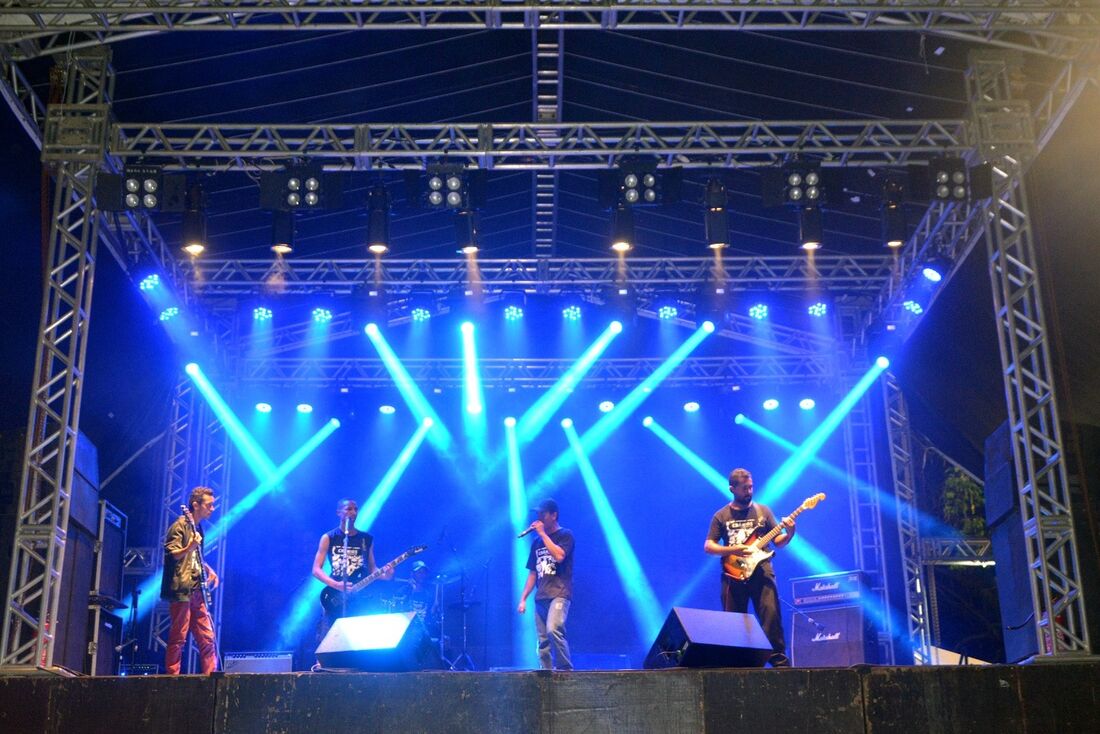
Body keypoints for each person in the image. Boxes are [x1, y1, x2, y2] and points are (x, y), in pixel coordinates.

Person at [704, 468, 795, 667]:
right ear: (732, 488)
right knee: (735, 623)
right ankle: (740, 666)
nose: (749, 491)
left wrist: (790, 530)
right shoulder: (721, 515)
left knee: (771, 616)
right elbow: (709, 545)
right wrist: (734, 549)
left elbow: (778, 541)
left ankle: (780, 664)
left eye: (751, 487)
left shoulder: (763, 511)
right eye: (744, 488)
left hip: (762, 571)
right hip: (733, 573)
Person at [311, 498, 393, 637]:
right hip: (335, 596)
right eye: (349, 509)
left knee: (357, 636)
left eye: (355, 509)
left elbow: (372, 569)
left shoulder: (366, 539)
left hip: (359, 595)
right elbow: (316, 570)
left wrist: (386, 575)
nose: (353, 512)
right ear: (339, 512)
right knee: (332, 636)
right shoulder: (329, 537)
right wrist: (336, 584)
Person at [161, 485, 220, 675]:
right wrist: (190, 546)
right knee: (179, 636)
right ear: (196, 505)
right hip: (182, 590)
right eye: (209, 505)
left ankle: (212, 678)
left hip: (197, 591)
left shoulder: (198, 528)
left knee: (207, 637)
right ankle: (172, 677)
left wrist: (209, 569)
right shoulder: (179, 526)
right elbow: (172, 554)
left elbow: (195, 557)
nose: (212, 509)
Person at [517, 498, 575, 671]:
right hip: (541, 595)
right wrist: (523, 599)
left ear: (554, 515)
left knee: (553, 629)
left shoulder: (565, 535)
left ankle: (565, 671)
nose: (539, 517)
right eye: (538, 514)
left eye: (543, 513)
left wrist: (542, 534)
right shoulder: (536, 543)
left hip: (559, 593)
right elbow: (533, 573)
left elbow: (559, 556)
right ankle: (547, 676)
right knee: (542, 642)